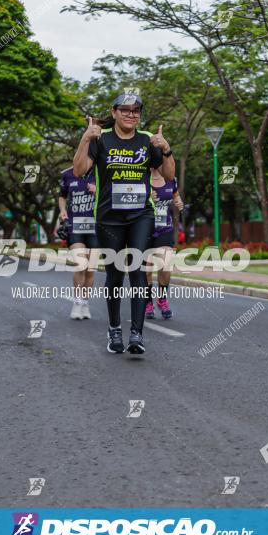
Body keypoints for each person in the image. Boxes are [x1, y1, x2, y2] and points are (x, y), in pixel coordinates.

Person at [72, 92, 175, 354]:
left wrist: (166, 149)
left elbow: (169, 174)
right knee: (116, 274)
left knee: (138, 271)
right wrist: (86, 138)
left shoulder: (146, 139)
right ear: (115, 112)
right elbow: (79, 170)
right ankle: (115, 329)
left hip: (141, 214)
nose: (131, 114)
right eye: (126, 109)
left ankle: (137, 335)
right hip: (109, 218)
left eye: (136, 110)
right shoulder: (101, 139)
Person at [58, 167, 98, 320]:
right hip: (75, 226)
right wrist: (63, 210)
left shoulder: (100, 172)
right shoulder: (67, 174)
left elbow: (111, 197)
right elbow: (62, 196)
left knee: (90, 270)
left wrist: (98, 192)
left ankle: (85, 302)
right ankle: (77, 302)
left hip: (95, 227)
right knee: (80, 264)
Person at [145, 169, 183, 319]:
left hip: (164, 229)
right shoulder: (142, 177)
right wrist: (146, 198)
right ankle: (148, 302)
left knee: (166, 265)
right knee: (146, 270)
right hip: (144, 229)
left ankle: (162, 299)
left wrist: (179, 202)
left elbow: (176, 196)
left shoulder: (171, 179)